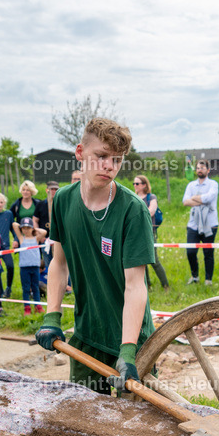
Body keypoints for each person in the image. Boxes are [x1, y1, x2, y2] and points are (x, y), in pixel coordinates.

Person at [35, 117, 155, 395]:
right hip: (87, 334)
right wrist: (52, 316)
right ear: (80, 153)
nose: (109, 166)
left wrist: (127, 351)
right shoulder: (63, 200)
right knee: (86, 423)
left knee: (139, 428)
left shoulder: (132, 210)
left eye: (117, 160)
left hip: (132, 340)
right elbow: (59, 262)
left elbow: (135, 286)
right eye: (101, 156)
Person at [182, 159, 219, 285]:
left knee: (208, 252)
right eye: (197, 168)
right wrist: (201, 200)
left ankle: (208, 279)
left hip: (210, 224)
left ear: (208, 170)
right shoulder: (191, 185)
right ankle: (195, 276)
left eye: (202, 168)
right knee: (190, 251)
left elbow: (209, 198)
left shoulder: (213, 184)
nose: (199, 170)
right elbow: (185, 201)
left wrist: (194, 198)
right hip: (193, 224)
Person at [134, 175, 169, 290]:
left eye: (137, 183)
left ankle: (165, 285)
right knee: (141, 261)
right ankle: (147, 285)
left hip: (149, 231)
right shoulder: (133, 197)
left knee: (154, 260)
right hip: (136, 232)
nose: (135, 186)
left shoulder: (151, 197)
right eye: (134, 184)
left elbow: (151, 211)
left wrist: (136, 216)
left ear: (144, 185)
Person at [0, 193, 18, 298]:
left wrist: (16, 239)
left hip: (5, 246)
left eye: (1, 202)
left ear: (4, 203)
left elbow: (13, 229)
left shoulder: (8, 214)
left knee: (10, 266)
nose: (0, 204)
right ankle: (0, 291)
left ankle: (8, 287)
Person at [16, 217, 45, 315]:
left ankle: (38, 305)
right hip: (24, 267)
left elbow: (44, 232)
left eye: (28, 228)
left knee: (35, 287)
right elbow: (14, 225)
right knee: (26, 288)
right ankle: (27, 307)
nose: (26, 230)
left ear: (32, 228)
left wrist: (34, 229)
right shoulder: (21, 239)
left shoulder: (36, 239)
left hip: (35, 266)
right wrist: (21, 226)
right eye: (24, 228)